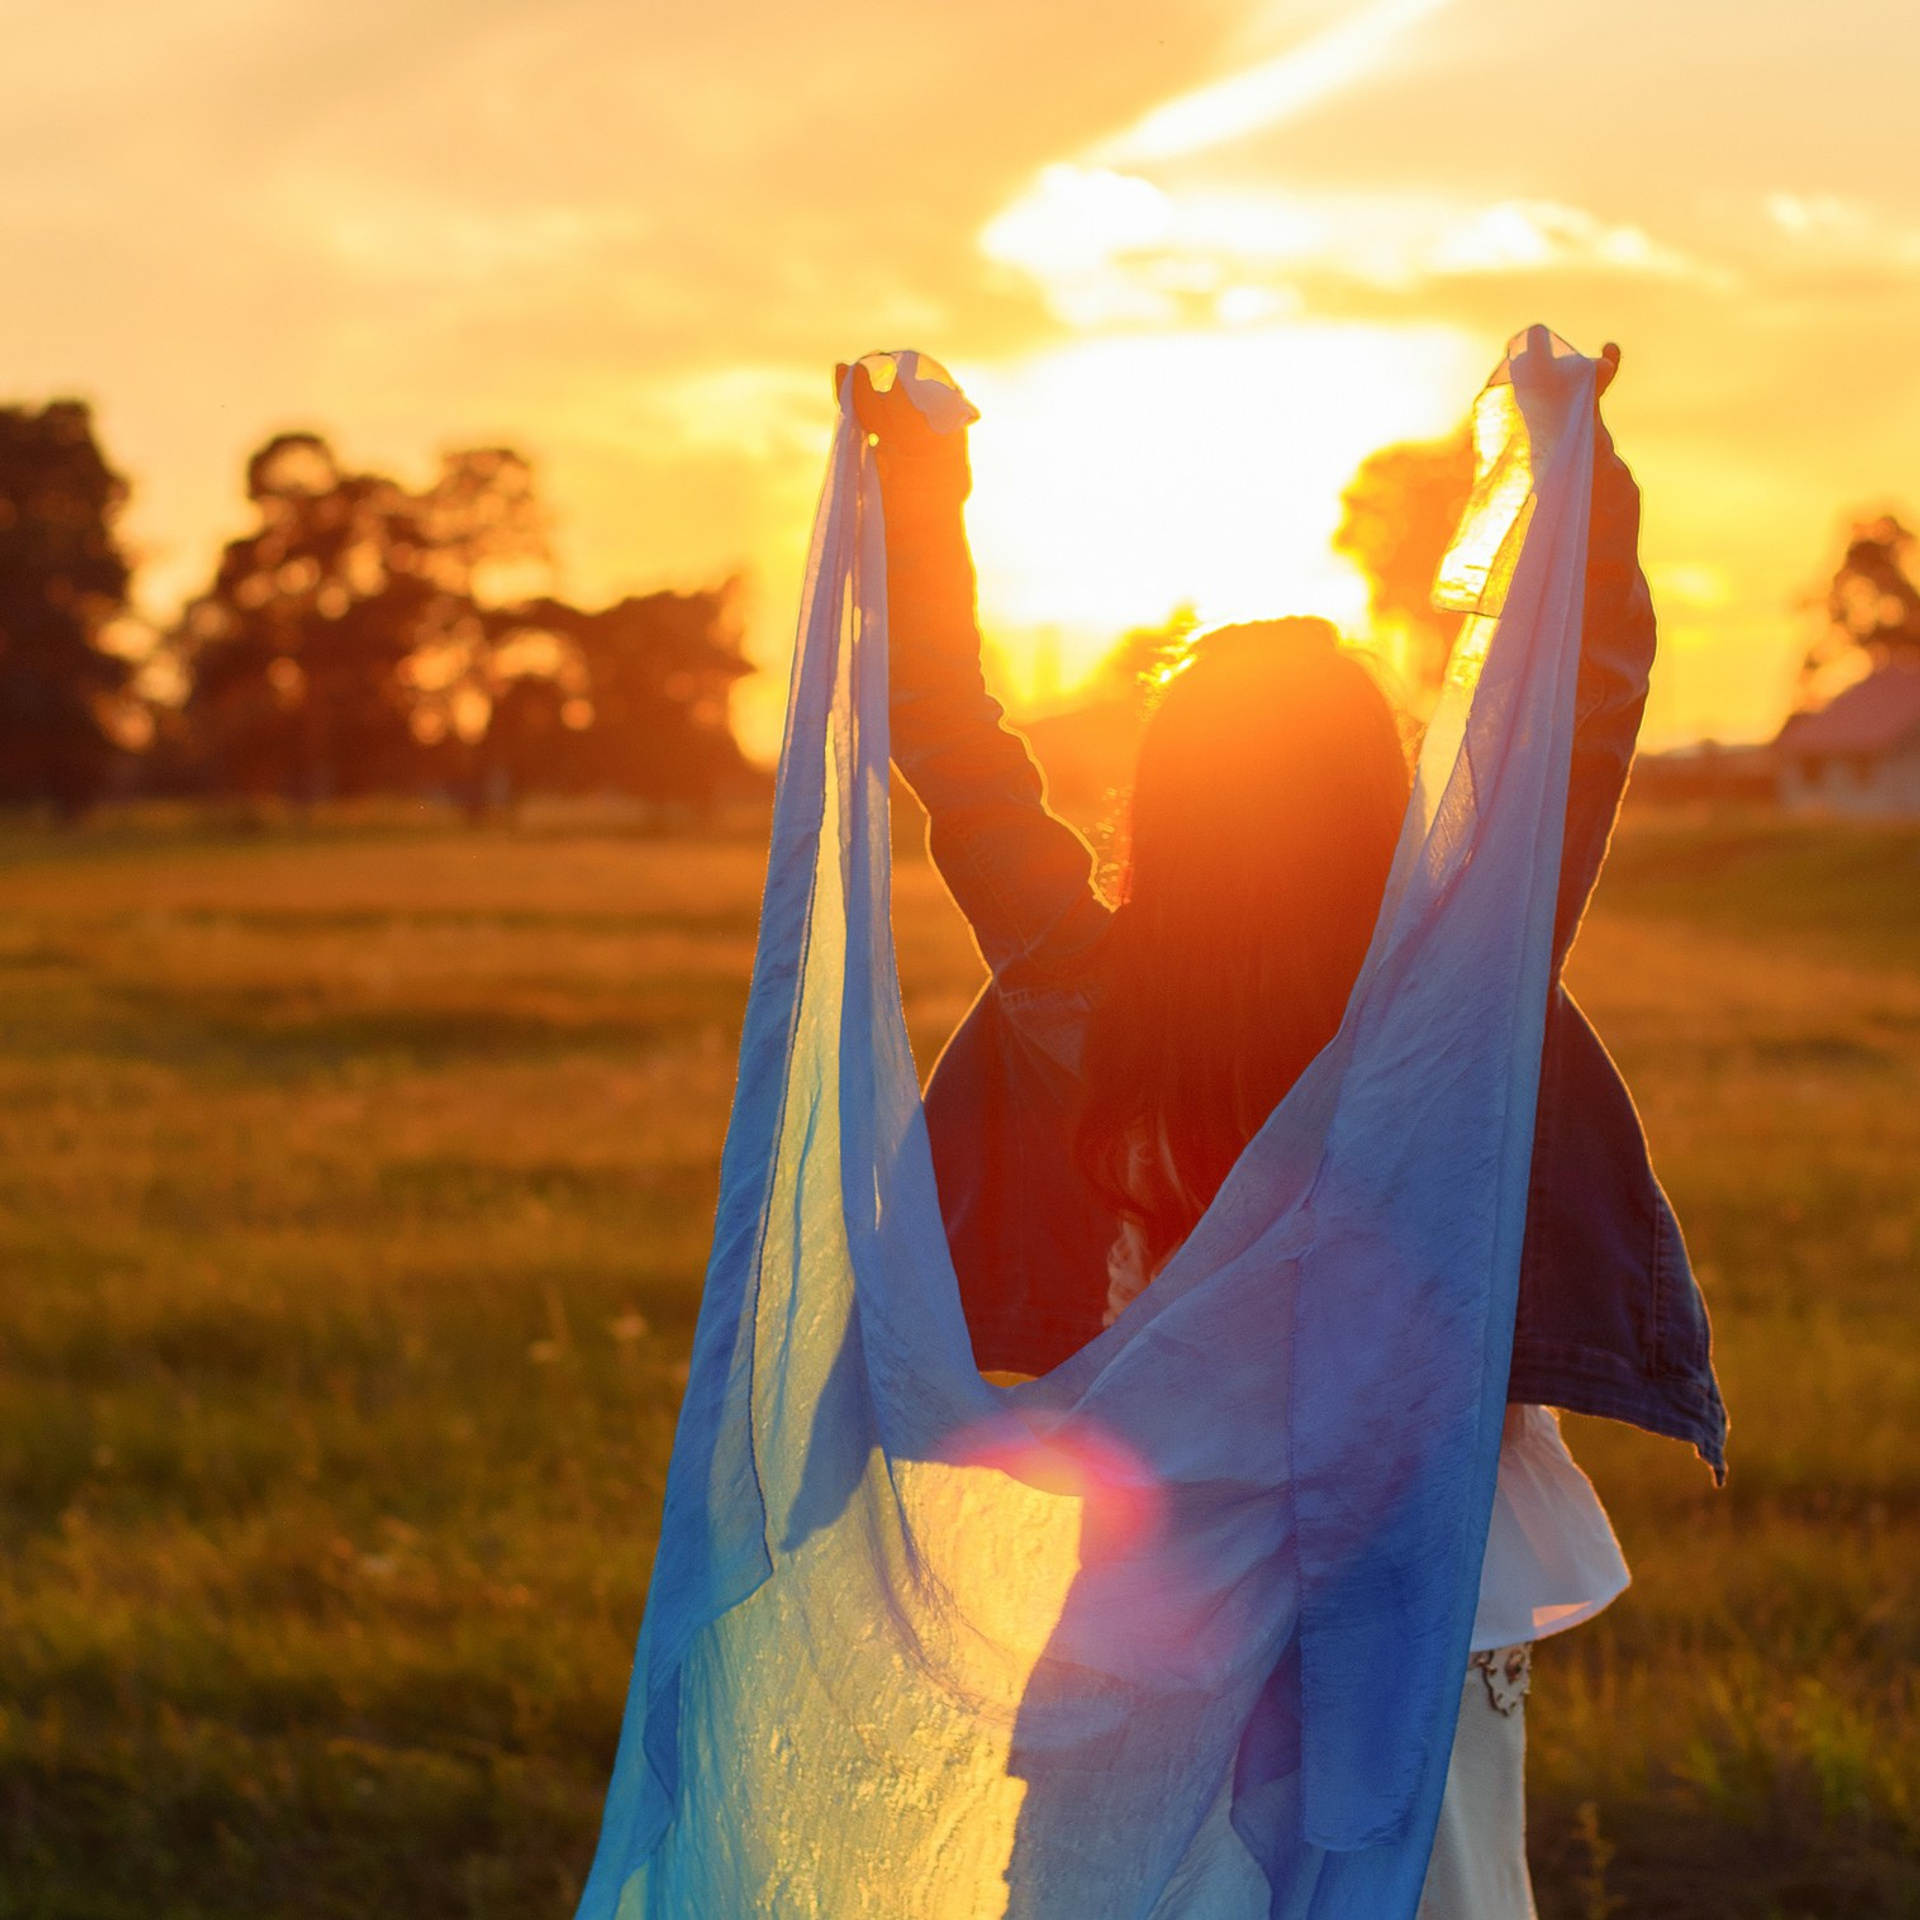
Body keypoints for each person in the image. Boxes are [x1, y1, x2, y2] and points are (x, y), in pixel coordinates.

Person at [838, 345, 1728, 1916]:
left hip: (1159, 1569)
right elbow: (1574, 723)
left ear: (1165, 809)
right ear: (1378, 797)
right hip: (1418, 1568)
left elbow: (950, 744)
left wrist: (919, 483)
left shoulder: (1087, 993)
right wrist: (1573, 466)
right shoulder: (1447, 1014)